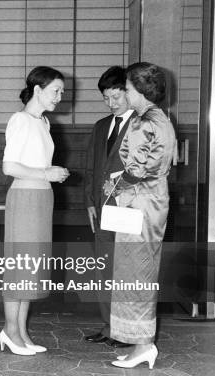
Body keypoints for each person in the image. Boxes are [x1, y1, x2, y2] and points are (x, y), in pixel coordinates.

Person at [106, 62, 176, 369]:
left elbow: (135, 169)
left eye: (129, 89)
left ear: (142, 90)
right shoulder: (161, 118)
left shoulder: (141, 121)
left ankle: (143, 345)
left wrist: (113, 184)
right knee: (141, 270)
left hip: (139, 201)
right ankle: (140, 342)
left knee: (134, 273)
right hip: (153, 200)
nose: (126, 93)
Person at [0, 66, 69, 355]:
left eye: (62, 92)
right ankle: (10, 331)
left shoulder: (43, 122)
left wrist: (51, 175)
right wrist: (46, 173)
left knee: (31, 268)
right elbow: (9, 167)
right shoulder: (20, 119)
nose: (60, 97)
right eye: (56, 91)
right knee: (19, 267)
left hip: (42, 199)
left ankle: (22, 331)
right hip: (26, 198)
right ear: (38, 90)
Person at [83, 66, 133, 348]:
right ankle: (109, 325)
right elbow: (91, 167)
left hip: (127, 208)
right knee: (104, 268)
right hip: (101, 209)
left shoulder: (141, 124)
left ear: (129, 92)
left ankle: (126, 329)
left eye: (117, 96)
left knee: (125, 269)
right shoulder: (101, 126)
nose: (112, 103)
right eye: (106, 98)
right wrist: (89, 202)